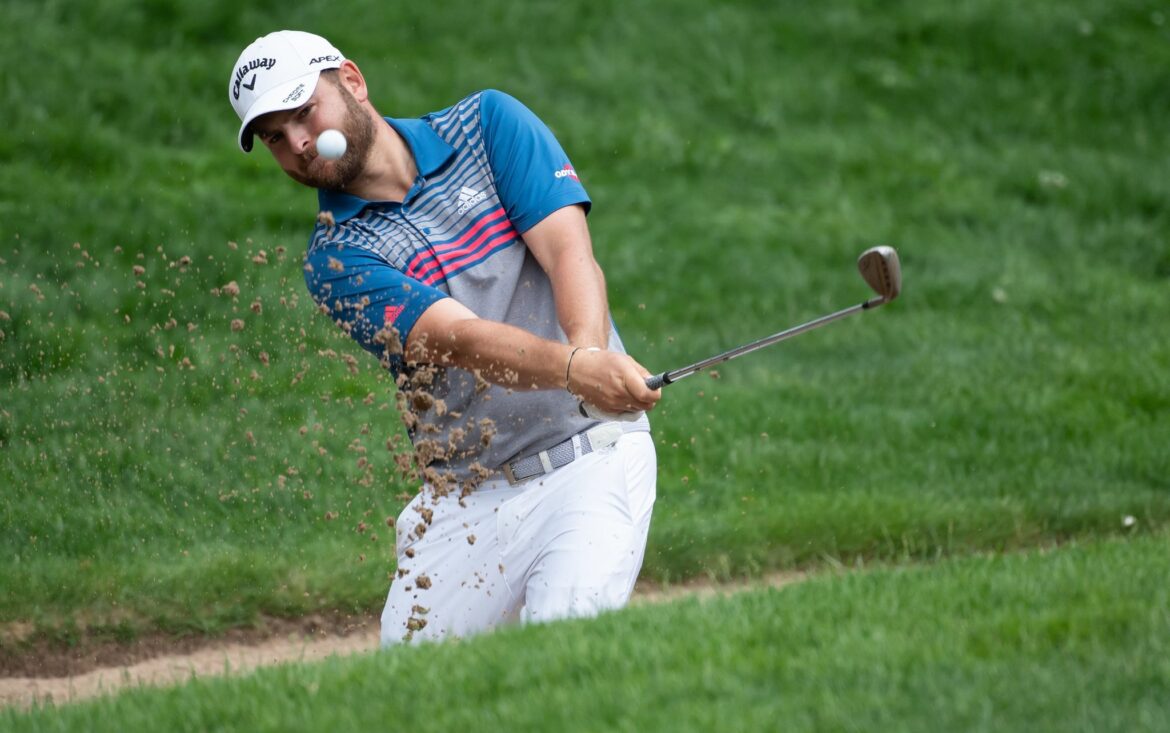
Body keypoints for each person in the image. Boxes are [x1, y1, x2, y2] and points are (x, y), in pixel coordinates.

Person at [227, 30, 661, 644]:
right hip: (466, 501)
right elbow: (463, 341)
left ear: (351, 80)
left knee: (563, 649)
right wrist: (574, 369)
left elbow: (568, 251)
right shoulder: (336, 259)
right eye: (274, 135)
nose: (297, 142)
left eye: (303, 111)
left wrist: (587, 358)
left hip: (589, 459)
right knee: (411, 694)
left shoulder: (486, 126)